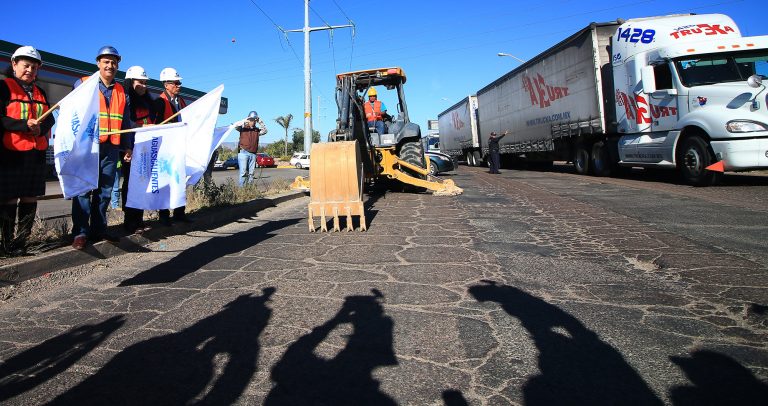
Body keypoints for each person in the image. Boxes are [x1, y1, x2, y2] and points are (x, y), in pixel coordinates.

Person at [70, 46, 134, 250]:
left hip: (111, 147)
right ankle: (80, 232)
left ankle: (99, 229)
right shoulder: (82, 84)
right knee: (83, 189)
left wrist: (127, 147)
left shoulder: (121, 91)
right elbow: (73, 115)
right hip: (88, 147)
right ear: (98, 63)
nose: (110, 65)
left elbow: (125, 122)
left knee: (105, 191)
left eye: (114, 62)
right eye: (106, 61)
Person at [0, 46, 55, 254]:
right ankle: (5, 244)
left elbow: (49, 117)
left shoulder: (40, 92)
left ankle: (21, 242)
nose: (30, 70)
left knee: (30, 197)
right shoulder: (4, 87)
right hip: (11, 152)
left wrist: (41, 129)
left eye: (34, 67)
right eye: (26, 65)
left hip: (36, 152)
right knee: (9, 198)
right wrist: (23, 125)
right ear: (14, 64)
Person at [153, 67, 191, 226]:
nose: (179, 85)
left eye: (179, 82)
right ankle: (163, 215)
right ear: (166, 85)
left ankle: (179, 212)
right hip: (165, 148)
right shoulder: (159, 102)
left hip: (179, 146)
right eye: (176, 83)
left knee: (179, 181)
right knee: (165, 181)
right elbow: (156, 126)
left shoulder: (181, 101)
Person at [122, 66, 155, 234]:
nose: (143, 85)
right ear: (130, 82)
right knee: (130, 184)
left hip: (146, 149)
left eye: (144, 82)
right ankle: (129, 221)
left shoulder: (149, 102)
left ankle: (139, 219)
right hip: (131, 148)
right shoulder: (126, 99)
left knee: (142, 184)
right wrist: (144, 127)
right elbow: (125, 124)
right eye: (139, 82)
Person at [235, 111, 267, 187]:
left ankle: (249, 190)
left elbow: (265, 131)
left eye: (254, 120)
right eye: (251, 120)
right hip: (243, 152)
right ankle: (242, 192)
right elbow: (235, 126)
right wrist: (245, 120)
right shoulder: (242, 128)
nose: (253, 121)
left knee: (251, 173)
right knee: (243, 173)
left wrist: (260, 122)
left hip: (253, 154)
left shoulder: (257, 130)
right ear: (248, 120)